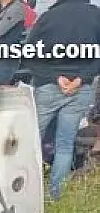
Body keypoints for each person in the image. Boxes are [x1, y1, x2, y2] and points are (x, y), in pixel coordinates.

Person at [22, 0, 100, 199]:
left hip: (49, 85)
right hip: (80, 88)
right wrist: (82, 78)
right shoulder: (95, 15)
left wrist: (55, 77)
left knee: (31, 141)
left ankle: (25, 194)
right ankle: (56, 195)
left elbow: (29, 53)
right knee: (65, 143)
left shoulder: (48, 16)